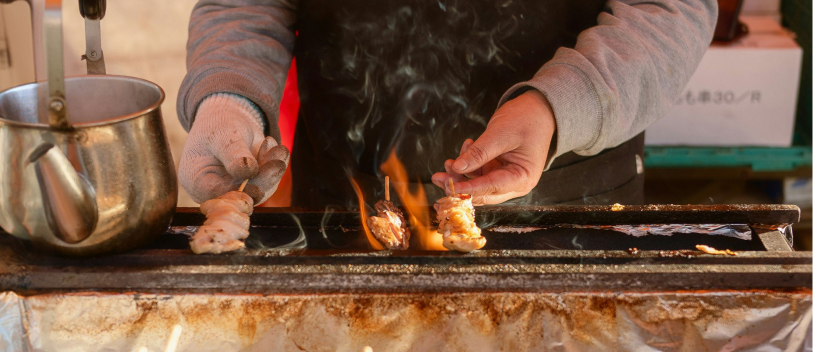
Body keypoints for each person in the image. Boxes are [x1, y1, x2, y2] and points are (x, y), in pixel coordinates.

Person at [177, 0, 717, 207]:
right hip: (345, 204)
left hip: (565, 199)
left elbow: (668, 9)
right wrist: (228, 97)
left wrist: (560, 107)